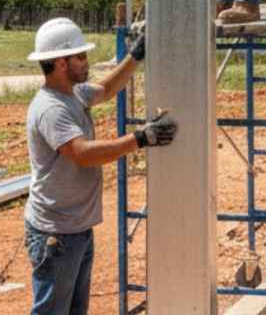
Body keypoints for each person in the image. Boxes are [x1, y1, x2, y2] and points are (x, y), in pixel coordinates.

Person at [24, 17, 177, 315]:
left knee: (74, 310)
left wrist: (136, 55)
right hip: (56, 233)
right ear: (61, 63)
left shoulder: (74, 94)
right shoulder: (51, 109)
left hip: (74, 228)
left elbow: (106, 89)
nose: (87, 61)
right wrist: (141, 138)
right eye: (80, 57)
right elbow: (81, 153)